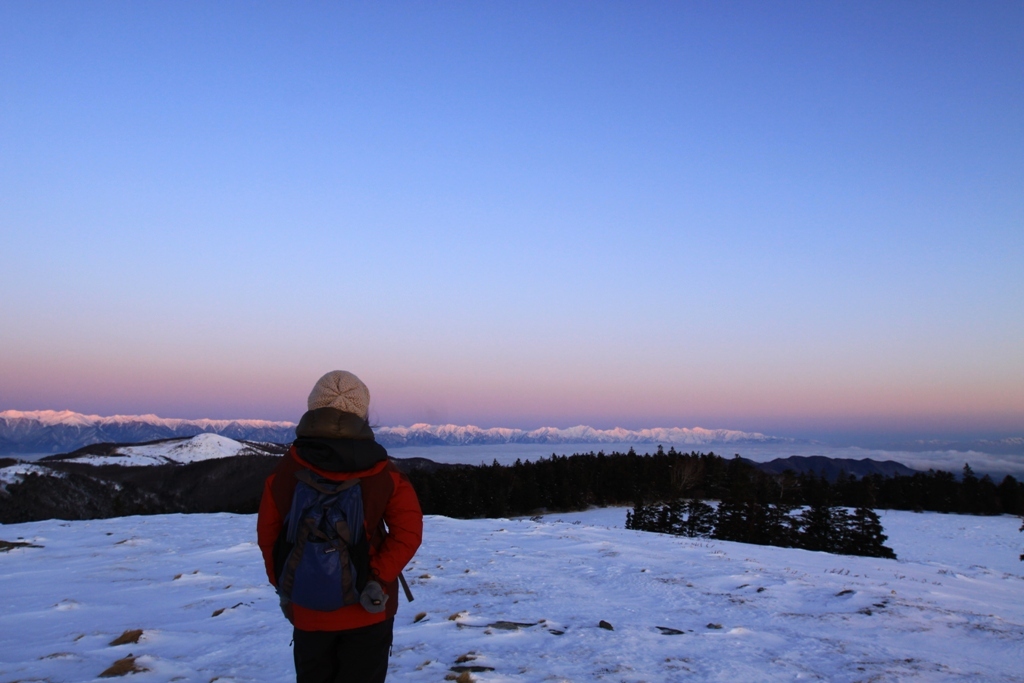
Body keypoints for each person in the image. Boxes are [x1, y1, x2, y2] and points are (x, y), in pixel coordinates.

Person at [257, 370, 423, 683]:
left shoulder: (284, 472)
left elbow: (269, 537)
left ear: (313, 408)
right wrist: (375, 577)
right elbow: (408, 533)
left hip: (308, 607)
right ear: (362, 412)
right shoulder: (384, 473)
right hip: (369, 606)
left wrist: (284, 586)